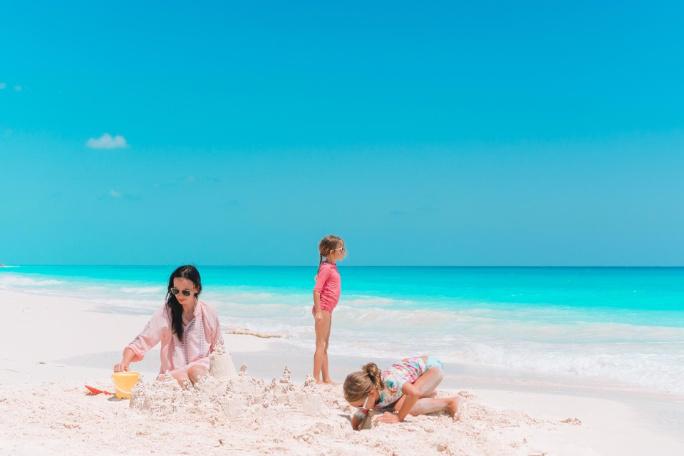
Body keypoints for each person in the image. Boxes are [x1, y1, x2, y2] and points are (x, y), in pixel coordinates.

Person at [113, 265, 224, 386]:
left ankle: (205, 393)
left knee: (195, 371)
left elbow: (219, 349)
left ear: (196, 289)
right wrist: (124, 362)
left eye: (185, 292)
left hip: (201, 369)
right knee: (182, 378)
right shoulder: (166, 313)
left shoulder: (208, 313)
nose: (179, 296)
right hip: (173, 375)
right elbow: (143, 340)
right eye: (175, 291)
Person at [343, 356, 460, 430]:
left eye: (360, 405)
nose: (360, 408)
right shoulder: (371, 392)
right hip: (411, 375)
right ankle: (428, 393)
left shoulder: (390, 382)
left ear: (371, 393)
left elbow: (414, 393)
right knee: (401, 400)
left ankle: (449, 402)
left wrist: (399, 417)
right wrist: (355, 423)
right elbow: (365, 408)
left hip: (431, 369)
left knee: (401, 407)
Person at [312, 235, 345, 383]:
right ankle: (315, 379)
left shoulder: (331, 267)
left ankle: (326, 378)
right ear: (332, 252)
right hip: (323, 308)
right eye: (341, 249)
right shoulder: (326, 268)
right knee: (320, 344)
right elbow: (316, 291)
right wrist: (319, 311)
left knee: (325, 345)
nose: (343, 251)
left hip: (327, 309)